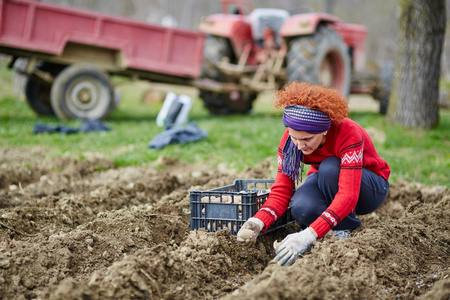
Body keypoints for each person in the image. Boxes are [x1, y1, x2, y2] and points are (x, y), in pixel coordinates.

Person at [236, 81, 390, 266]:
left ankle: (345, 231)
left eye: (307, 139)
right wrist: (258, 221)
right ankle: (326, 230)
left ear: (324, 130)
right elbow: (281, 191)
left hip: (369, 188)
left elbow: (348, 195)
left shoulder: (348, 133)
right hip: (326, 179)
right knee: (301, 206)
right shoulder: (289, 143)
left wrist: (307, 235)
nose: (299, 145)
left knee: (330, 167)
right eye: (294, 137)